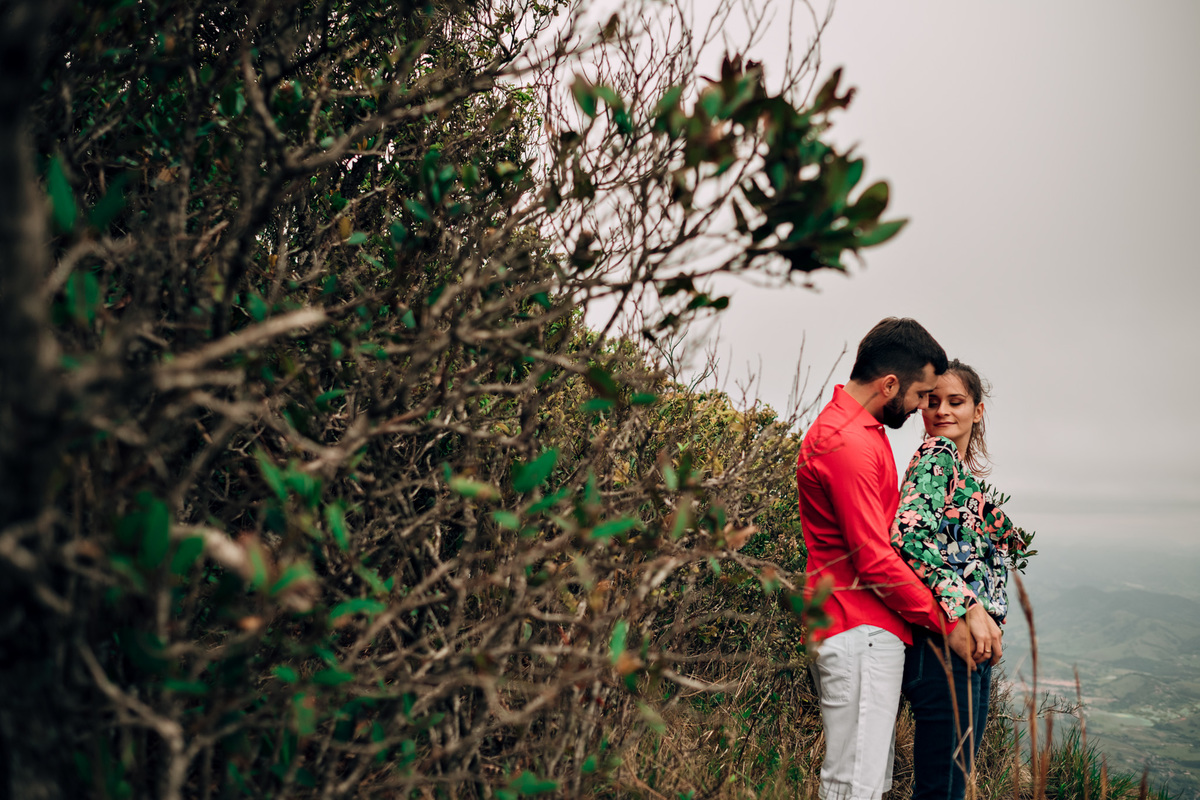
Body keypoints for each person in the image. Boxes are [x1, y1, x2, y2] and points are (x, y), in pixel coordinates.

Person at [796, 318, 975, 800]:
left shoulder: (860, 432)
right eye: (920, 394)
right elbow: (873, 558)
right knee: (854, 786)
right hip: (859, 630)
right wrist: (946, 619)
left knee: (867, 782)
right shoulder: (846, 442)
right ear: (890, 384)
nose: (921, 407)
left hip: (864, 631)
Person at [892, 359, 1032, 800]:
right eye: (932, 402)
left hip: (962, 646)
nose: (942, 411)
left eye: (956, 401)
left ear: (978, 410)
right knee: (943, 790)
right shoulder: (937, 455)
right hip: (944, 643)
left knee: (948, 786)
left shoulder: (956, 469)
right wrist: (968, 607)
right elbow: (908, 536)